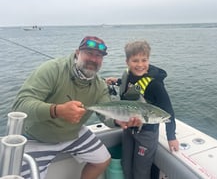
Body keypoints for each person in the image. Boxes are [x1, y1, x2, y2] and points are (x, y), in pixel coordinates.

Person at [12, 36, 114, 179]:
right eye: (89, 53)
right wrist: (57, 110)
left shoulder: (100, 85)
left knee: (102, 161)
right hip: (38, 138)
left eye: (99, 56)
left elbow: (106, 115)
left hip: (73, 134)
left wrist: (119, 121)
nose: (94, 59)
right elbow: (20, 105)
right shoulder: (52, 69)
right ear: (77, 53)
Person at [106, 40, 179, 179]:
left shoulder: (155, 85)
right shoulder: (127, 75)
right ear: (127, 61)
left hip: (146, 134)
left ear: (148, 60)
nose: (140, 65)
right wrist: (116, 81)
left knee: (141, 171)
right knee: (126, 165)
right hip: (128, 129)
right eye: (135, 61)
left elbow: (168, 112)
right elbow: (131, 86)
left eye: (144, 60)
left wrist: (171, 136)